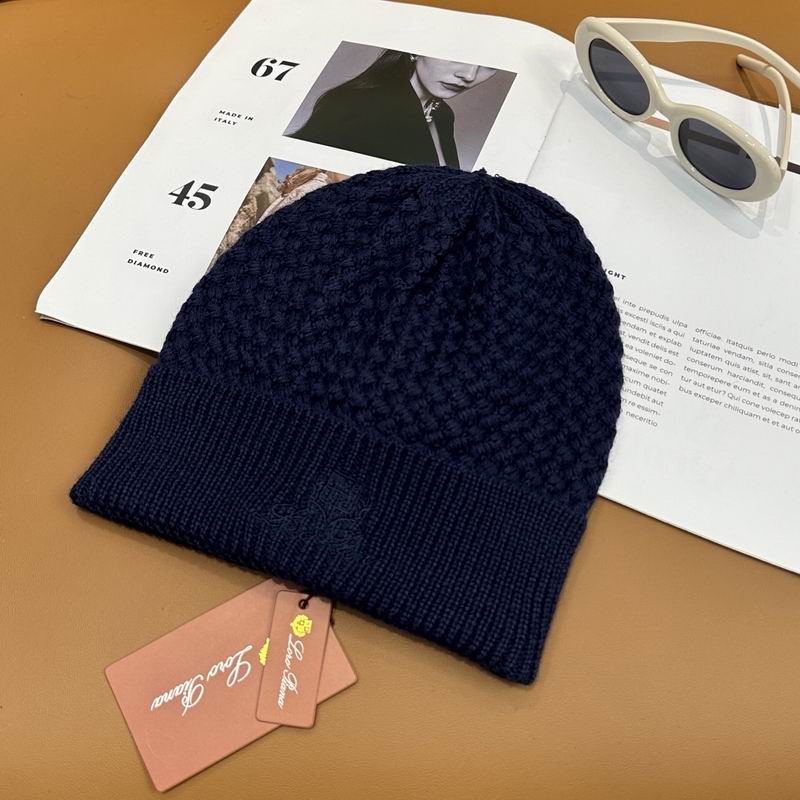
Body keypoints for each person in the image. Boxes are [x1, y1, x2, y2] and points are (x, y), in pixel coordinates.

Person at [287, 50, 497, 168]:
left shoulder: (442, 115)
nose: (469, 75)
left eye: (488, 66)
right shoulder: (356, 106)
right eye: (459, 55)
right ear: (416, 51)